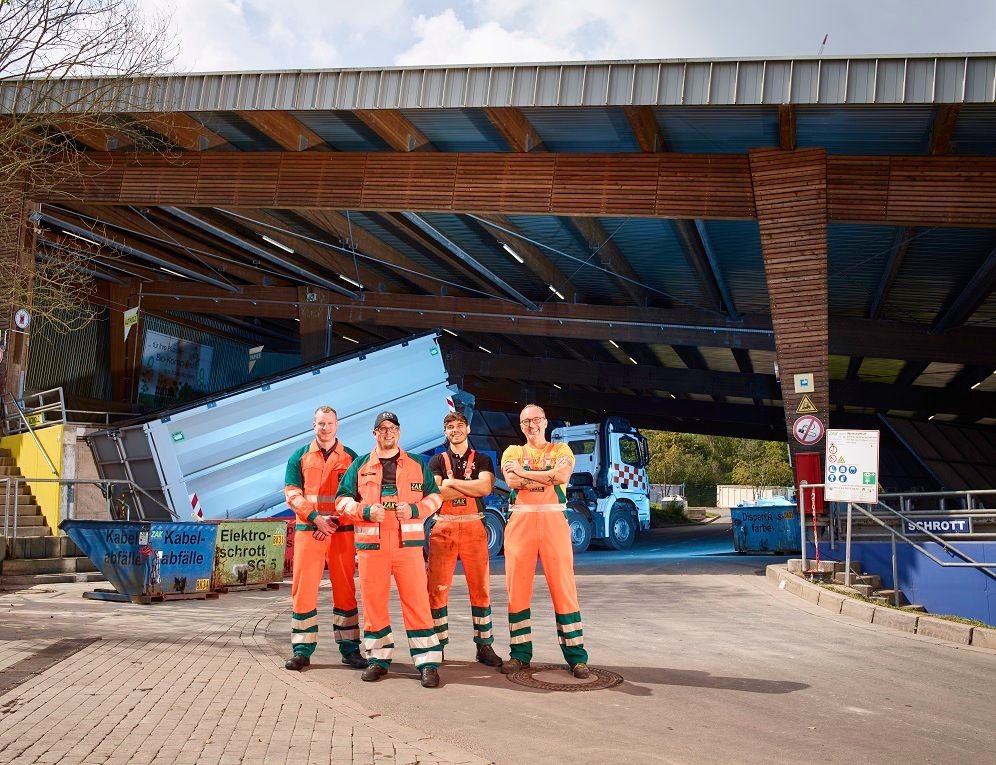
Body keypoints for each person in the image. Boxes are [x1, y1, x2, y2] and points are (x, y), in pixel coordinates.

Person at [335, 411, 445, 688]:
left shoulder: (418, 464)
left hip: (408, 548)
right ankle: (378, 659)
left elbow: (436, 497)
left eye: (392, 428)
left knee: (417, 603)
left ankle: (427, 662)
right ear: (374, 434)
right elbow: (341, 501)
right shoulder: (360, 465)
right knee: (373, 604)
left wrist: (416, 509)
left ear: (399, 432)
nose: (387, 432)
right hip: (372, 548)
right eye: (382, 428)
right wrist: (365, 511)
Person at [499, 404, 590, 678]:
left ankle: (577, 657)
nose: (532, 425)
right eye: (526, 421)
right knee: (517, 591)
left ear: (546, 422)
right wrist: (544, 478)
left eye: (536, 419)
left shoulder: (561, 450)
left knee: (564, 588)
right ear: (521, 425)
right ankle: (520, 654)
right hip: (521, 525)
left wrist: (526, 474)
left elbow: (561, 476)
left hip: (553, 524)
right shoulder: (512, 452)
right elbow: (511, 481)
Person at [283, 406, 368, 671]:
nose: (325, 428)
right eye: (321, 423)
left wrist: (333, 522)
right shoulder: (298, 457)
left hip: (340, 531)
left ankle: (350, 649)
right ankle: (302, 650)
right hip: (310, 531)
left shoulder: (351, 457)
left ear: (337, 425)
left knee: (345, 589)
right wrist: (316, 519)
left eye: (329, 423)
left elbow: (359, 497)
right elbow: (292, 495)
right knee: (303, 589)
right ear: (314, 425)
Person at [426, 412, 503, 668]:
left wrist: (451, 482)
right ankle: (438, 646)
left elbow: (484, 489)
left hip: (473, 530)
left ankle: (484, 646)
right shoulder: (436, 460)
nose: (455, 430)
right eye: (450, 426)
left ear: (468, 429)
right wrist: (464, 485)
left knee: (480, 590)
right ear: (445, 432)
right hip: (443, 532)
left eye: (459, 425)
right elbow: (437, 493)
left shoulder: (481, 458)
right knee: (437, 590)